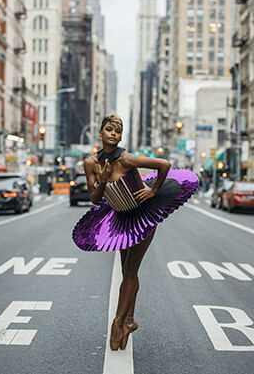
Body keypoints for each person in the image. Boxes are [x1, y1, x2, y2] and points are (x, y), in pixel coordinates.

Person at [73, 114, 198, 351]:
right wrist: (101, 181)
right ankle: (129, 320)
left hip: (142, 215)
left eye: (118, 131)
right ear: (100, 133)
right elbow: (94, 199)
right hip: (120, 217)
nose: (113, 134)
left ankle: (118, 321)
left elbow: (164, 165)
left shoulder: (126, 159)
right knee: (126, 271)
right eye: (109, 129)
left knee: (131, 269)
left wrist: (153, 192)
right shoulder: (90, 163)